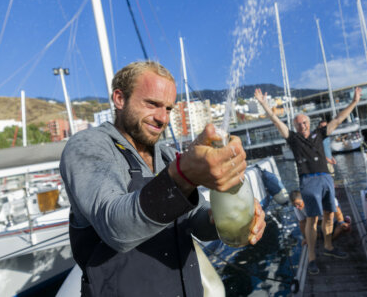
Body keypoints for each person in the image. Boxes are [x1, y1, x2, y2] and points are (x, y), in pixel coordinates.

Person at [61, 61, 266, 296]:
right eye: (152, 104)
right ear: (119, 99)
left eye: (168, 108)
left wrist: (234, 216)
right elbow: (114, 227)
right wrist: (183, 176)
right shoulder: (88, 146)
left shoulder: (167, 155)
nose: (162, 118)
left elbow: (194, 220)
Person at [254, 87, 361, 275]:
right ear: (295, 127)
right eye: (298, 124)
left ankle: (328, 246)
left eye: (304, 122)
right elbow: (276, 120)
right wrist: (263, 103)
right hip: (309, 181)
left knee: (329, 215)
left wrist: (353, 102)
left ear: (309, 123)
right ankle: (312, 257)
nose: (302, 125)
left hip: (326, 178)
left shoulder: (320, 134)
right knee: (312, 220)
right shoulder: (293, 139)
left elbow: (338, 119)